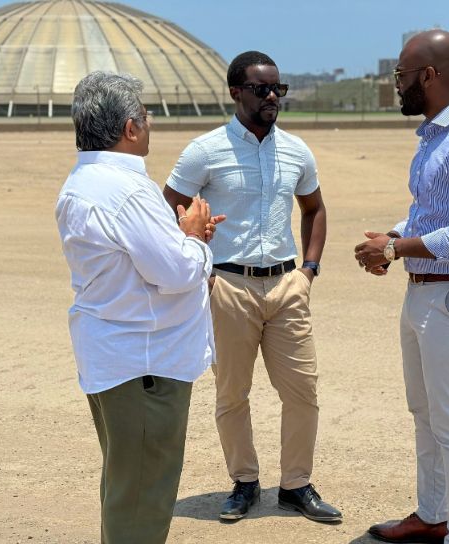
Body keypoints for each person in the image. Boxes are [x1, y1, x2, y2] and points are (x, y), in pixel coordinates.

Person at [163, 51, 341, 523]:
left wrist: (310, 269)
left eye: (278, 89)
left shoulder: (297, 150)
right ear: (235, 92)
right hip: (228, 287)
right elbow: (168, 207)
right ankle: (244, 483)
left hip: (287, 286)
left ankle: (296, 486)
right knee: (232, 394)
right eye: (261, 89)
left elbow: (314, 208)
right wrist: (194, 262)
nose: (272, 97)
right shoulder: (205, 150)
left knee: (303, 390)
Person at [353, 31, 449, 544]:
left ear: (430, 75)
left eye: (401, 75)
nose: (395, 84)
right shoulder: (434, 139)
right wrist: (395, 236)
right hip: (425, 293)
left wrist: (397, 250)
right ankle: (434, 515)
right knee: (425, 415)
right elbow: (432, 215)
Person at [55, 71, 224, 544]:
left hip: (118, 358)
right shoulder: (128, 191)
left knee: (127, 486)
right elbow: (176, 273)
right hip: (146, 367)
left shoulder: (85, 181)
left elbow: (140, 262)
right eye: (146, 118)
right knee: (143, 499)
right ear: (130, 128)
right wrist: (191, 237)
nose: (150, 126)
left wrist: (185, 239)